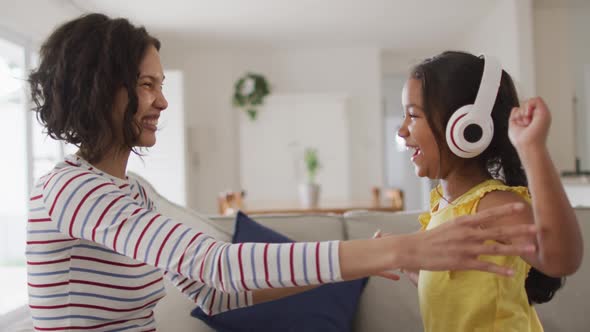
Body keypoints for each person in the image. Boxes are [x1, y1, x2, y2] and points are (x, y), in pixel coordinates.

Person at [26, 15, 537, 331]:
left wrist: (359, 265)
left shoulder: (132, 192)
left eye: (159, 83)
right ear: (100, 88)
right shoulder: (70, 189)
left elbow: (216, 292)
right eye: (145, 84)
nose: (161, 100)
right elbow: (217, 266)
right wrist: (403, 248)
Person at [396, 51, 584, 331]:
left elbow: (562, 259)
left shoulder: (493, 207)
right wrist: (412, 266)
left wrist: (532, 148)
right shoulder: (442, 207)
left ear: (465, 126)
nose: (401, 130)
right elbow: (460, 291)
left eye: (413, 115)